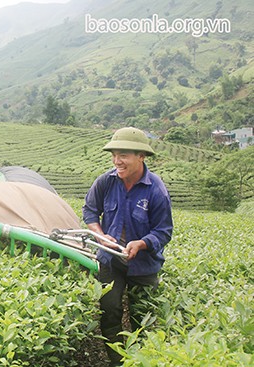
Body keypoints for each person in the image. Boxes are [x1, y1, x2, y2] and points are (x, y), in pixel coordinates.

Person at [82, 127, 173, 366]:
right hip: (110, 260)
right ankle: (117, 361)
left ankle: (139, 360)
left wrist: (141, 243)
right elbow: (90, 212)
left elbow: (163, 232)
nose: (117, 161)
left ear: (141, 156)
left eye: (123, 155)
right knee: (109, 311)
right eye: (114, 154)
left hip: (143, 265)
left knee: (142, 316)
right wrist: (100, 236)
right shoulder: (105, 181)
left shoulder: (156, 190)